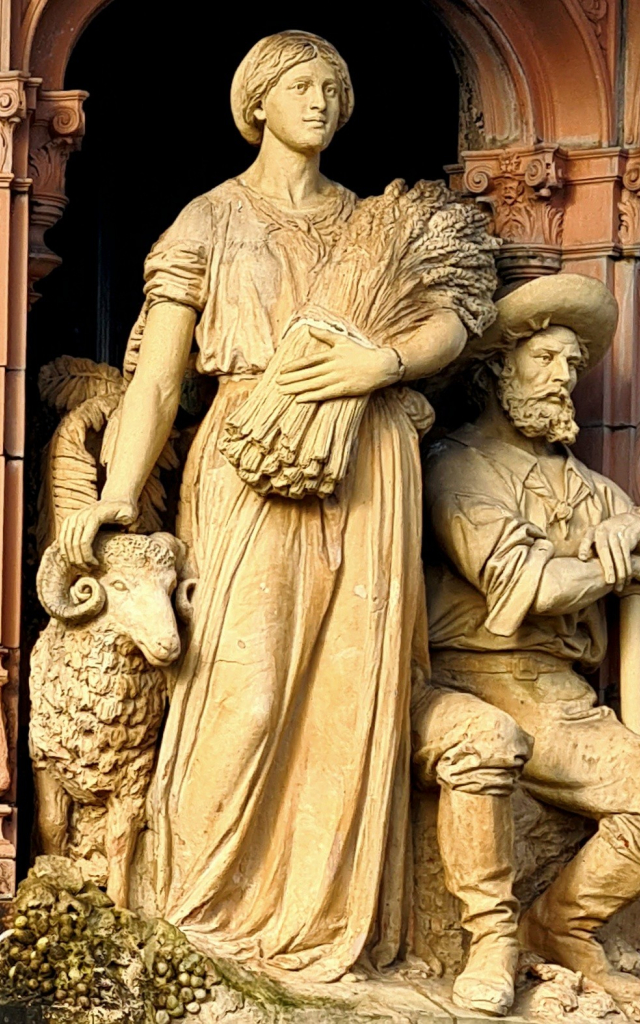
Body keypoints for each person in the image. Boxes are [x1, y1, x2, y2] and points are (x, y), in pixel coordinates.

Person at [55, 31, 474, 983]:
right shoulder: (209, 220)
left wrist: (385, 364)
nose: (320, 101)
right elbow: (158, 380)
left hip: (367, 459)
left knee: (349, 691)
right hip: (247, 456)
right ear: (256, 105)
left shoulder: (374, 224)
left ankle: (329, 933)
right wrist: (121, 493)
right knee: (238, 685)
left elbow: (457, 316)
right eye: (299, 85)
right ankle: (194, 917)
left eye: (334, 86)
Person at [419, 273, 640, 1011]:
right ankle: (492, 940)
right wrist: (602, 566)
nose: (564, 379)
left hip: (565, 696)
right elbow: (529, 587)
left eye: (574, 366)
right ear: (497, 370)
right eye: (545, 360)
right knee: (485, 744)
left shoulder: (590, 486)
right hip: (480, 676)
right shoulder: (457, 466)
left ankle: (559, 923)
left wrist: (634, 531)